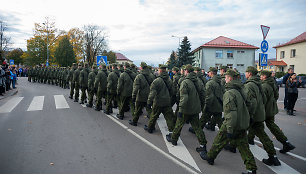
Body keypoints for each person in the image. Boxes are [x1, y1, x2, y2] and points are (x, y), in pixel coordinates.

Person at [200, 69, 257, 174]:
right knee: (244, 148)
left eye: (226, 77)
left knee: (219, 140)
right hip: (242, 123)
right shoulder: (241, 89)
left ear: (230, 78)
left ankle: (210, 157)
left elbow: (231, 113)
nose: (224, 79)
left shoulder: (229, 93)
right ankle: (251, 169)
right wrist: (249, 117)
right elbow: (250, 105)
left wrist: (230, 129)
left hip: (231, 124)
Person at [166, 65, 207, 153]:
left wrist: (181, 109)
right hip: (195, 108)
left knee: (179, 124)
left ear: (186, 71)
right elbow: (203, 95)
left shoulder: (185, 82)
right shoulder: (198, 81)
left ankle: (174, 139)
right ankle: (203, 144)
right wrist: (201, 106)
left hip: (186, 109)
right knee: (197, 127)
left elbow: (184, 98)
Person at [244, 66, 281, 166]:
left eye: (246, 72)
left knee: (260, 135)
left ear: (250, 74)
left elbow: (251, 102)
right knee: (261, 135)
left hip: (254, 114)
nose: (245, 73)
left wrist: (250, 115)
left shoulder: (250, 85)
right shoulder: (259, 83)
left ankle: (272, 157)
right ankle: (273, 156)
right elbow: (264, 99)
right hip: (259, 112)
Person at [260, 70, 295, 154]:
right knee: (272, 126)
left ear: (265, 76)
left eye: (261, 75)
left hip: (265, 110)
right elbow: (276, 96)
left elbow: (262, 100)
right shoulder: (273, 83)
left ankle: (271, 151)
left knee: (256, 126)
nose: (260, 77)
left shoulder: (264, 85)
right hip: (271, 108)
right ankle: (286, 142)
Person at [144, 64, 176, 134]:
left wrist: (149, 102)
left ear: (160, 71)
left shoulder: (157, 81)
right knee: (168, 118)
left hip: (158, 102)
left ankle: (150, 128)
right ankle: (171, 132)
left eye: (158, 70)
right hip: (167, 101)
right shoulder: (169, 80)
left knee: (154, 115)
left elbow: (152, 93)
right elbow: (173, 92)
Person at [200, 67, 223, 131]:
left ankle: (198, 130)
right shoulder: (220, 81)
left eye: (209, 72)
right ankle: (223, 133)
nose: (208, 73)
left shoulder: (210, 83)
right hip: (219, 105)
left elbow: (209, 97)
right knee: (219, 121)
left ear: (212, 73)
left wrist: (206, 106)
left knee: (203, 118)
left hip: (212, 105)